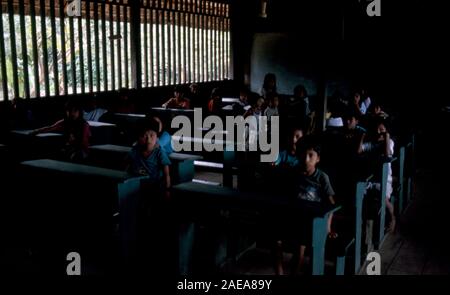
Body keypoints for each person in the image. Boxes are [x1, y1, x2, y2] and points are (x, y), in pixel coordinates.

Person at [274, 138, 336, 275]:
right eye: (303, 155)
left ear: (318, 158)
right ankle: (279, 272)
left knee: (300, 245)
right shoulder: (293, 173)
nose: (306, 159)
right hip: (291, 215)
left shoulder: (321, 178)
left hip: (308, 220)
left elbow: (331, 205)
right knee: (276, 239)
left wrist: (328, 227)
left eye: (310, 155)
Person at [359, 119, 396, 232]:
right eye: (377, 130)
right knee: (360, 196)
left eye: (382, 130)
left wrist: (387, 137)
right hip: (371, 179)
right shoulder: (373, 144)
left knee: (383, 199)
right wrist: (362, 136)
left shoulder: (390, 142)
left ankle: (392, 218)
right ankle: (363, 226)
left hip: (385, 180)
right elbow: (359, 150)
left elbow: (387, 153)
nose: (379, 132)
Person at [126, 119, 171, 196]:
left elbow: (166, 174)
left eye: (151, 135)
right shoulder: (135, 151)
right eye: (144, 136)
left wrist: (167, 190)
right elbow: (126, 168)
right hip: (137, 186)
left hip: (155, 187)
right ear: (138, 138)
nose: (148, 139)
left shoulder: (159, 153)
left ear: (157, 138)